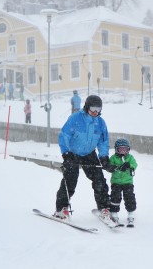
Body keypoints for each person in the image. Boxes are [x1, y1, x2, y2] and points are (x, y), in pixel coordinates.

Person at [54, 95, 112, 223]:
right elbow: (64, 136)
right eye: (93, 109)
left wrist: (103, 157)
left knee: (99, 179)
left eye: (98, 109)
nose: (95, 112)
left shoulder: (100, 123)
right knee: (70, 179)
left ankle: (104, 208)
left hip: (89, 154)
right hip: (73, 152)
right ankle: (61, 209)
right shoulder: (75, 119)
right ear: (86, 107)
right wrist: (66, 153)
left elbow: (103, 142)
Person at [107, 138, 138, 226]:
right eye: (121, 149)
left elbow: (134, 164)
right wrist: (113, 167)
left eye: (125, 149)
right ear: (117, 149)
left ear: (128, 149)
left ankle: (131, 212)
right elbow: (110, 166)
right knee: (115, 197)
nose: (123, 151)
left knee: (129, 197)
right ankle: (114, 213)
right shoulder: (113, 158)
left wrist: (129, 165)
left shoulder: (130, 157)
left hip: (127, 182)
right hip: (116, 182)